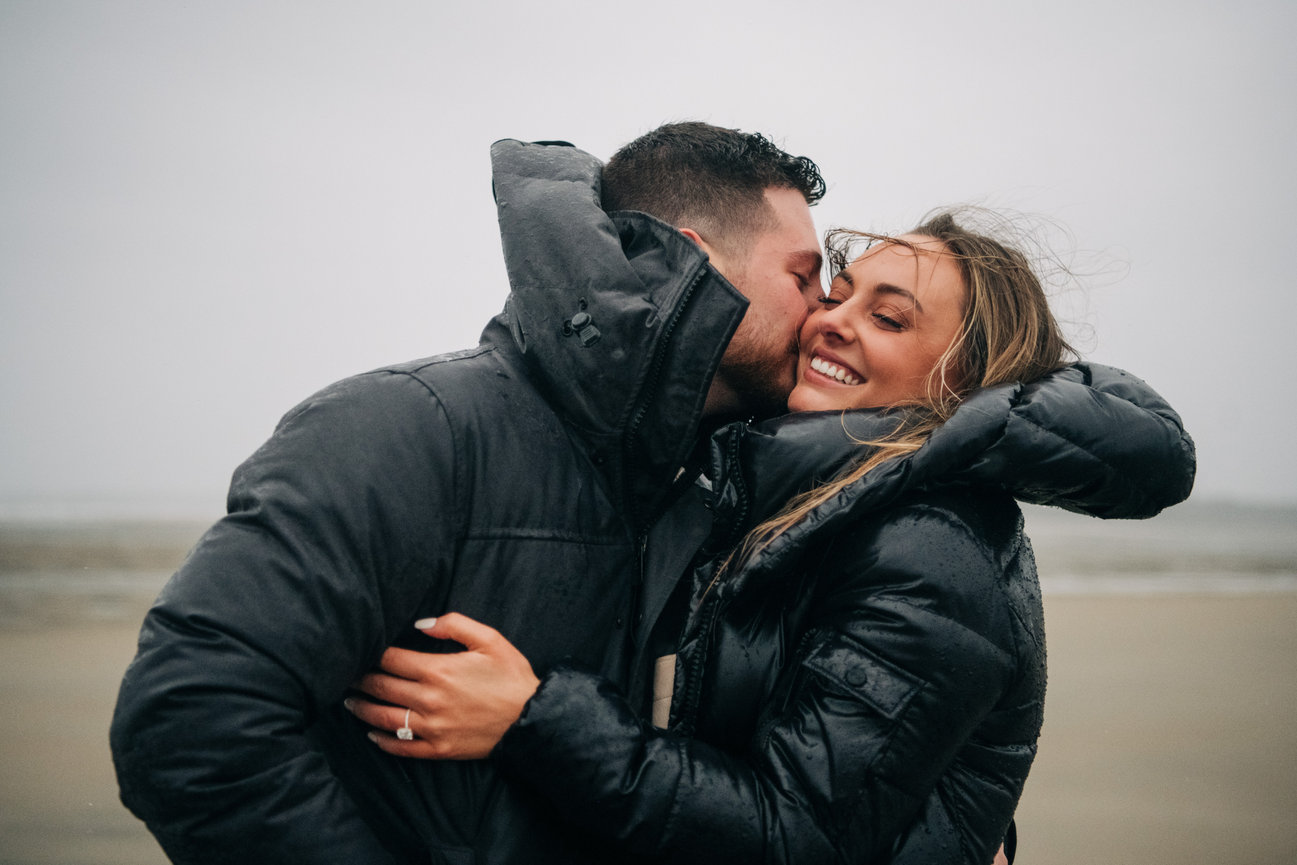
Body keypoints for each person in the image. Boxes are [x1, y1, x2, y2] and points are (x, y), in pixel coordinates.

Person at [344, 207, 1197, 863]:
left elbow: (796, 835)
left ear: (963, 386)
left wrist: (536, 719)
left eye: (888, 319)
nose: (832, 320)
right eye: (838, 293)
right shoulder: (807, 495)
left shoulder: (926, 548)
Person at [110, 123, 831, 865]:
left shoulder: (717, 495)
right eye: (803, 277)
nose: (824, 310)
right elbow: (190, 719)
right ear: (698, 259)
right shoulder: (408, 427)